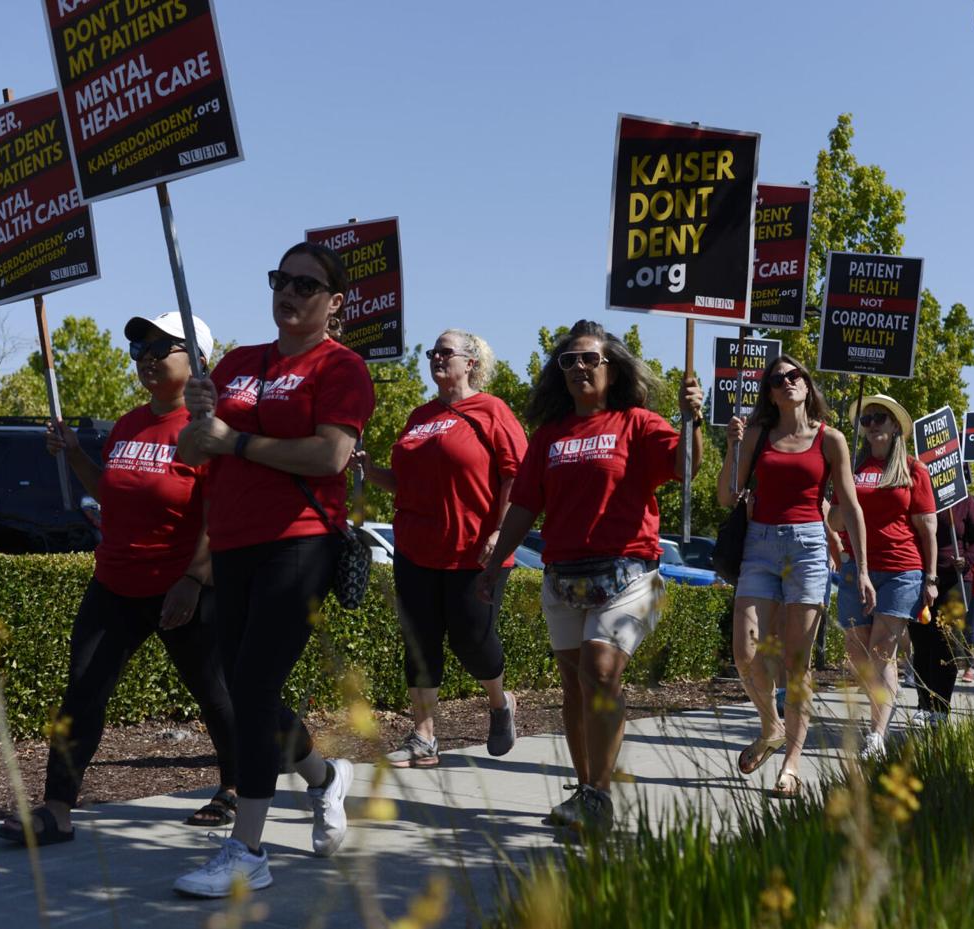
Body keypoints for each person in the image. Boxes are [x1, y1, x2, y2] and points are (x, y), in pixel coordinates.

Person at [172, 243, 375, 897]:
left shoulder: (341, 367)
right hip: (234, 544)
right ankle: (324, 777)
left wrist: (233, 438)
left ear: (334, 302)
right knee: (244, 688)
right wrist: (198, 413)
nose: (289, 291)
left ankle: (248, 850)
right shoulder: (235, 364)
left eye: (306, 284)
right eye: (281, 279)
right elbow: (189, 449)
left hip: (301, 541)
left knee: (254, 685)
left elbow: (331, 455)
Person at [0, 313, 238, 847]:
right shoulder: (128, 424)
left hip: (182, 587)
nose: (147, 358)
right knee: (82, 689)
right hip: (115, 582)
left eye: (161, 347)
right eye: (140, 350)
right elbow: (112, 494)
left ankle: (235, 785)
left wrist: (195, 580)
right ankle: (57, 809)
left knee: (216, 693)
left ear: (198, 360)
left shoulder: (209, 430)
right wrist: (77, 455)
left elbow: (224, 514)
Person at [474, 319, 703, 833]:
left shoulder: (638, 422)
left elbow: (685, 468)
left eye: (590, 359)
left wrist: (693, 421)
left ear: (612, 369)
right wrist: (493, 565)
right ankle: (586, 791)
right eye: (569, 360)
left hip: (631, 576)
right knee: (576, 688)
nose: (579, 367)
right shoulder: (549, 435)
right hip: (563, 577)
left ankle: (599, 793)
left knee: (601, 673)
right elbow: (525, 505)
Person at [358, 329, 527, 768]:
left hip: (475, 551)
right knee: (420, 643)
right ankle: (424, 737)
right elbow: (404, 482)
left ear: (470, 362)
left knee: (472, 640)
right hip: (415, 550)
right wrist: (370, 471)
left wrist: (500, 532)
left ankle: (499, 701)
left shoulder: (491, 411)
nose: (436, 357)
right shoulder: (418, 417)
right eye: (433, 351)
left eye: (445, 352)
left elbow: (516, 476)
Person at [716, 354, 869, 798]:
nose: (788, 382)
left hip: (807, 547)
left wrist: (862, 568)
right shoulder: (759, 435)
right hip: (760, 545)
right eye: (778, 378)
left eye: (795, 375)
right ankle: (771, 727)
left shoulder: (830, 439)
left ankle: (791, 764)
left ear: (807, 384)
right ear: (770, 392)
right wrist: (733, 446)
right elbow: (728, 495)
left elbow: (851, 507)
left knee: (795, 664)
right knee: (745, 652)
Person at [829, 393, 933, 760]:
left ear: (894, 426)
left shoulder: (913, 470)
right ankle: (883, 702)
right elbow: (835, 522)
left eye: (880, 419)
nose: (872, 425)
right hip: (856, 569)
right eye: (867, 420)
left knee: (881, 651)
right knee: (857, 653)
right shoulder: (850, 468)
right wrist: (839, 499)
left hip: (902, 569)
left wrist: (931, 577)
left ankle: (877, 732)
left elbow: (927, 527)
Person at [922, 486, 974, 723]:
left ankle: (941, 708)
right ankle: (924, 704)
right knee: (923, 643)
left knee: (946, 644)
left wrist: (967, 559)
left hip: (955, 582)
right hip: (921, 578)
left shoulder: (965, 502)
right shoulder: (921, 496)